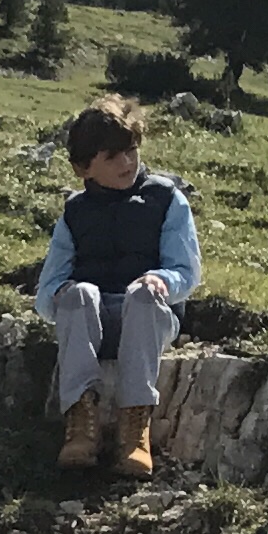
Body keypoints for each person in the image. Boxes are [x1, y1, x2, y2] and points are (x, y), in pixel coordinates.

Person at [35, 97, 203, 478]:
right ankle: (80, 425)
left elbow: (186, 271)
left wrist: (162, 280)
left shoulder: (166, 199)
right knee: (79, 293)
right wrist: (61, 297)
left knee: (141, 293)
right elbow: (47, 291)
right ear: (83, 168)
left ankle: (135, 430)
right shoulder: (74, 213)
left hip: (150, 314)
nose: (127, 163)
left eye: (131, 151)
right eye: (112, 157)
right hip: (91, 322)